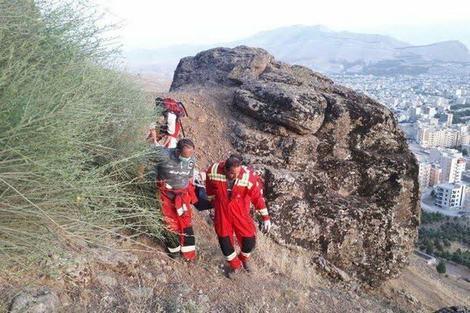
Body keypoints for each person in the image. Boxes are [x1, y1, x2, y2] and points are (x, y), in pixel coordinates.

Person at [205, 154, 271, 275]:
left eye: (238, 172)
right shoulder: (213, 170)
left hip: (239, 210)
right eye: (233, 174)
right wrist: (212, 199)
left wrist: (265, 217)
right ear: (225, 169)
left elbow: (257, 197)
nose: (237, 176)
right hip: (222, 210)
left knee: (249, 240)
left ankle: (243, 259)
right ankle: (235, 266)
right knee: (224, 240)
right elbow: (208, 184)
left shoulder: (247, 176)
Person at [154, 138, 198, 261]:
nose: (188, 158)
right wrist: (152, 176)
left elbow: (189, 177)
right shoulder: (163, 155)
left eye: (190, 155)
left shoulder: (191, 160)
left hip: (182, 196)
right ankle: (174, 251)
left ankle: (188, 254)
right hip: (166, 194)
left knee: (186, 222)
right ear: (177, 151)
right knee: (169, 222)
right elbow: (145, 159)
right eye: (185, 156)